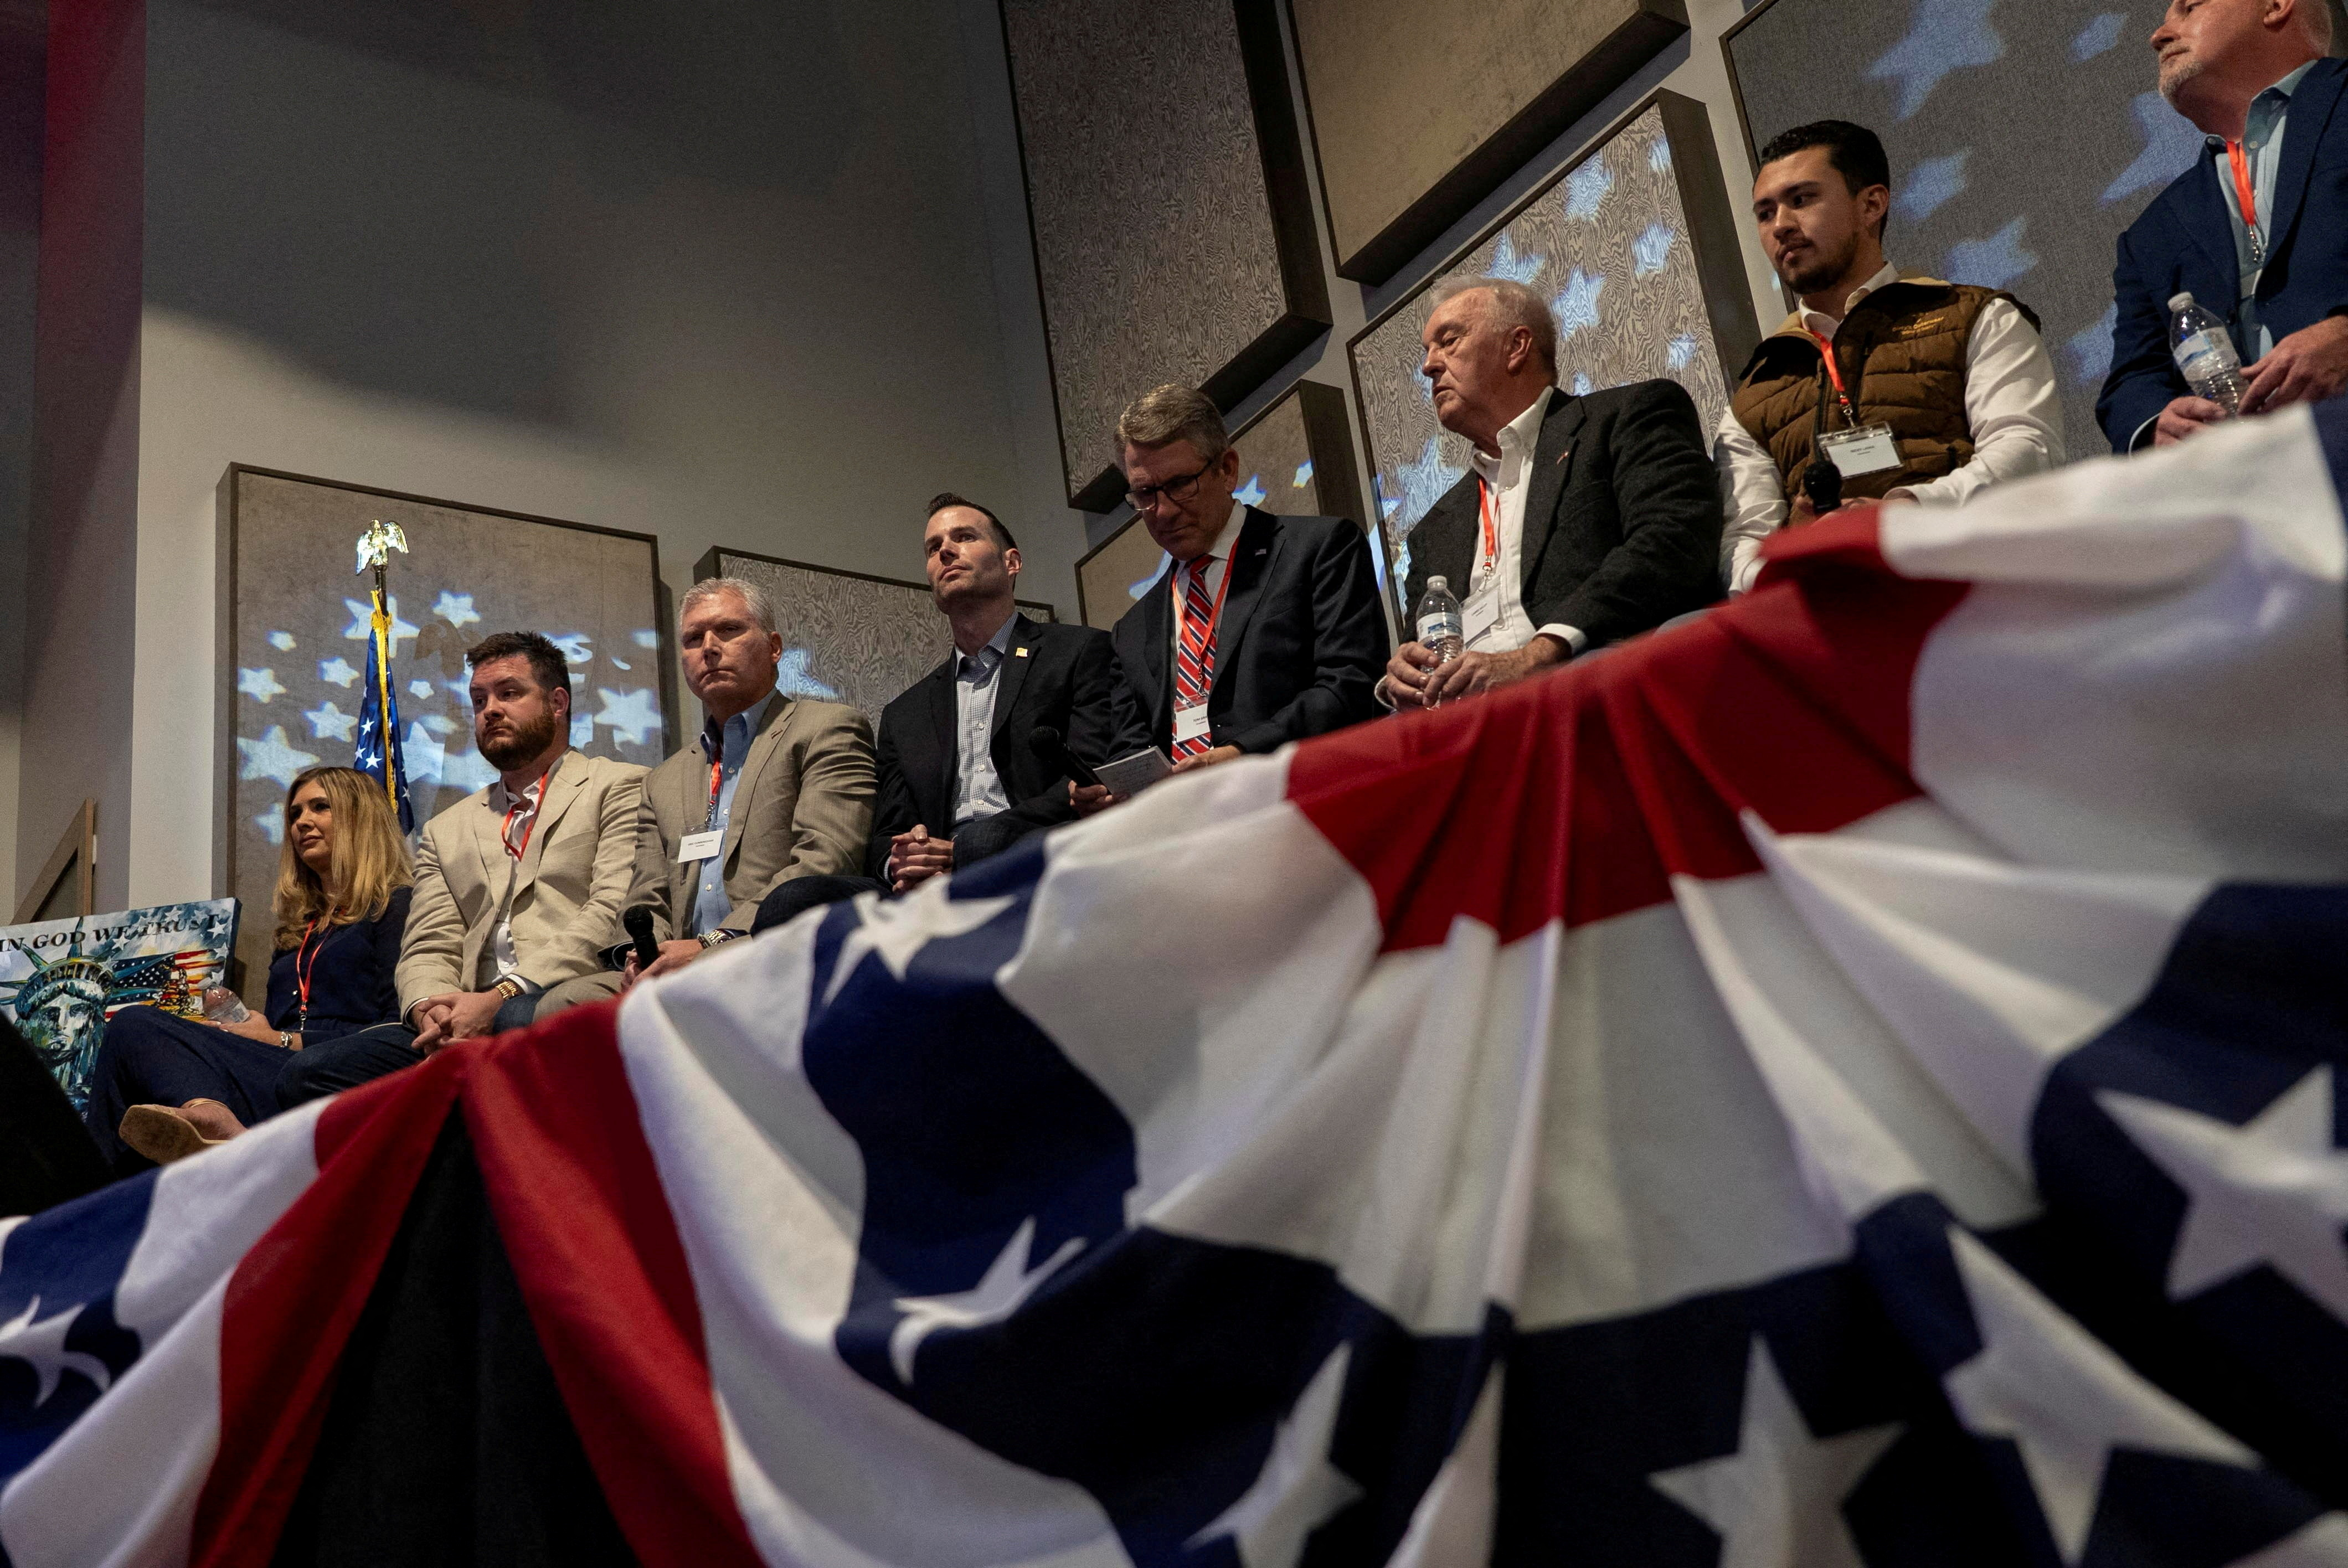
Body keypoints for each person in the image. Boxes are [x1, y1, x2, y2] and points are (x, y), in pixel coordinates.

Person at [1716, 121, 2063, 593]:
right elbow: (1741, 545)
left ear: (1872, 205)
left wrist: (1906, 510)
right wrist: (1790, 557)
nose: (1780, 225)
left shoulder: (1975, 316)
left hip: (1978, 587)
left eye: (1801, 199)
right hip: (1830, 613)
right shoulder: (1755, 394)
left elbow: (2028, 451)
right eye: (1765, 213)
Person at [1382, 278, 1723, 709]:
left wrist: (1543, 651)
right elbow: (1420, 646)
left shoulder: (1625, 417)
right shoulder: (1433, 530)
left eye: (1449, 342)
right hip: (1471, 716)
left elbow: (1673, 543)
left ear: (1516, 347)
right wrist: (1405, 677)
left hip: (1598, 680)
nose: (1429, 365)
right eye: (1428, 351)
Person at [83, 766, 415, 1170]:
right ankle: (113, 1178)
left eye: (320, 807)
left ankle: (213, 1121)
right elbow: (276, 1029)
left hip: (336, 1076)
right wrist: (242, 1030)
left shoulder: (396, 907)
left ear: (360, 818)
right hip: (277, 1071)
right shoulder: (295, 933)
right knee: (133, 1028)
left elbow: (400, 1031)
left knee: (140, 1030)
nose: (301, 823)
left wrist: (284, 1040)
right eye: (295, 814)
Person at [1094, 385, 1385, 792]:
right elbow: (1131, 746)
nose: (1164, 510)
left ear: (1227, 470)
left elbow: (1351, 686)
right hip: (1188, 821)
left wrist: (1240, 754)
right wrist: (1109, 790)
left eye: (1181, 484)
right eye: (1145, 493)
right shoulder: (1131, 630)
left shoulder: (1320, 549)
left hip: (1305, 795)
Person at [2100, 0, 2348, 450]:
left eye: (2190, 7)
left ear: (2275, 6)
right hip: (2256, 480)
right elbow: (2132, 382)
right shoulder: (2150, 236)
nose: (2158, 35)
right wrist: (2158, 425)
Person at [867, 494, 1140, 892]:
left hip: (1041, 848)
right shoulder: (903, 714)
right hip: (932, 879)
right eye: (933, 547)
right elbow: (885, 834)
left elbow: (1090, 772)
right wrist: (903, 860)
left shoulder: (1079, 652)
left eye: (964, 537)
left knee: (984, 843)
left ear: (1012, 563)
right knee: (797, 896)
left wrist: (961, 850)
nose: (945, 551)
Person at [621, 578, 876, 982]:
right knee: (558, 1003)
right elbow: (646, 896)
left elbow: (824, 863)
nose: (709, 647)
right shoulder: (662, 780)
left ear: (774, 648)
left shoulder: (826, 729)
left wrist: (710, 945)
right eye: (693, 639)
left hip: (770, 943)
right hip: (673, 960)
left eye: (728, 630)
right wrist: (644, 956)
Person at [398, 631, 645, 1046]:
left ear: (558, 703)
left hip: (561, 992)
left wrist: (503, 994)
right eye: (479, 700)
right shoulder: (446, 829)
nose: (491, 710)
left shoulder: (619, 786)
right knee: (316, 1068)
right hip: (463, 1010)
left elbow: (610, 910)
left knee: (513, 1017)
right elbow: (429, 945)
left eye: (509, 693)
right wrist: (431, 1011)